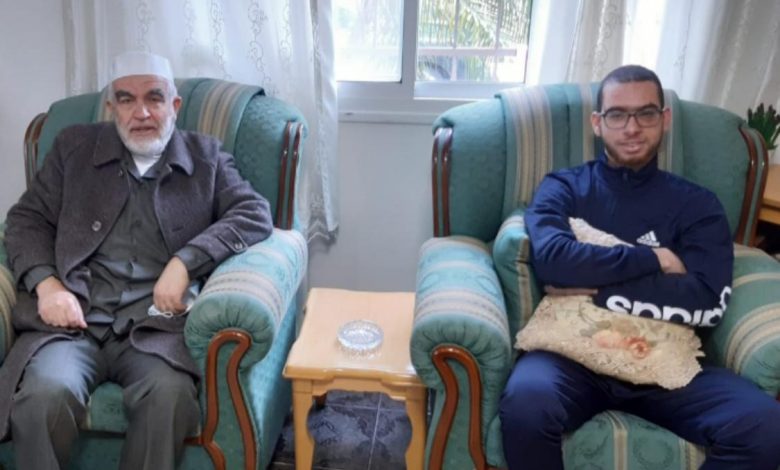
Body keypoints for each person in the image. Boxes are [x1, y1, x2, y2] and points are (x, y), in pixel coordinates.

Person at [0, 51, 272, 469]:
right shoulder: (73, 148)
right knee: (42, 397)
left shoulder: (206, 158)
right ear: (112, 107)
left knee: (168, 398)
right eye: (126, 99)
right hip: (75, 324)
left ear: (174, 105)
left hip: (155, 329)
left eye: (154, 98)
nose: (141, 113)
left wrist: (185, 262)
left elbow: (254, 213)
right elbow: (26, 220)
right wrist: (47, 286)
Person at [499, 65, 780, 469]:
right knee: (526, 403)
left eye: (646, 113)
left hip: (669, 363)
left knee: (766, 427)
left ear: (664, 119)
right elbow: (555, 262)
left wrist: (597, 288)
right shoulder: (563, 187)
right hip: (571, 358)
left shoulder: (698, 205)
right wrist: (654, 259)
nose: (632, 128)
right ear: (598, 123)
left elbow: (706, 300)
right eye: (617, 114)